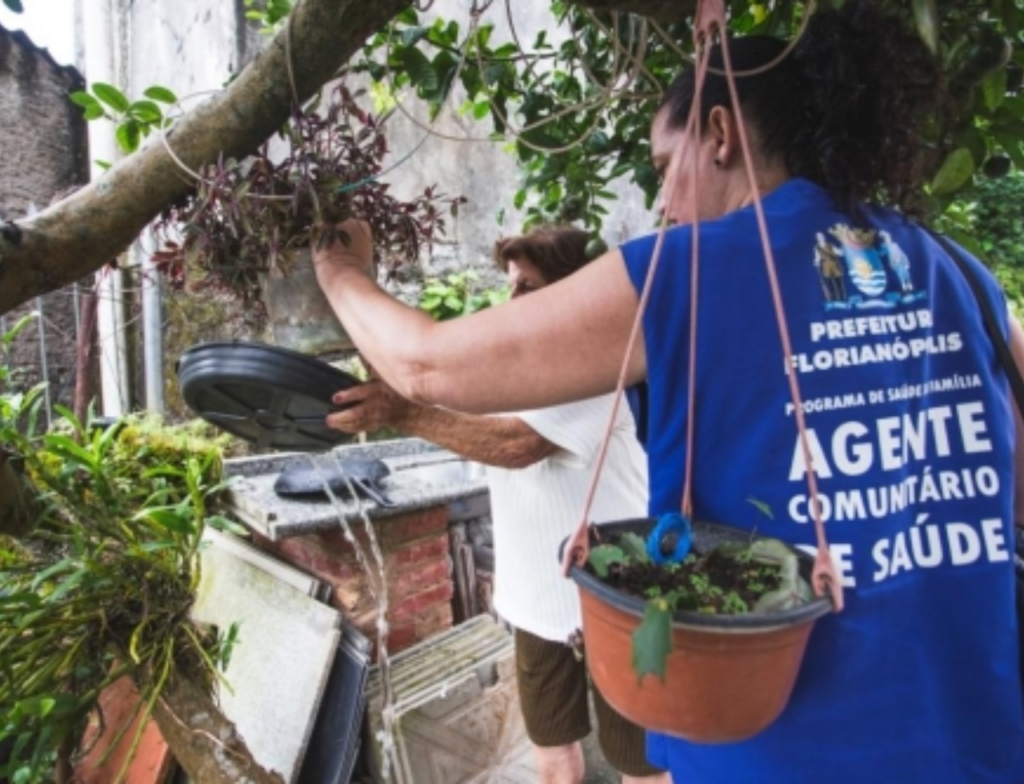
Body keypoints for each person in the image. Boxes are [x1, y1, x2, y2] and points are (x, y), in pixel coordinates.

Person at [312, 1, 1024, 781]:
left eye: (662, 166)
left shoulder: (688, 269)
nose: (665, 205)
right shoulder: (961, 274)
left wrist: (340, 271)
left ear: (718, 135)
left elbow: (425, 364)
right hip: (971, 734)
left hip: (777, 747)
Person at [325, 227, 669, 784]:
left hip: (616, 603)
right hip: (537, 603)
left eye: (528, 289)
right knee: (553, 756)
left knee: (642, 769)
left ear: (571, 294)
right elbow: (441, 384)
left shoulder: (598, 369)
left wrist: (406, 413)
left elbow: (516, 444)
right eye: (510, 287)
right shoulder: (524, 373)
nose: (512, 306)